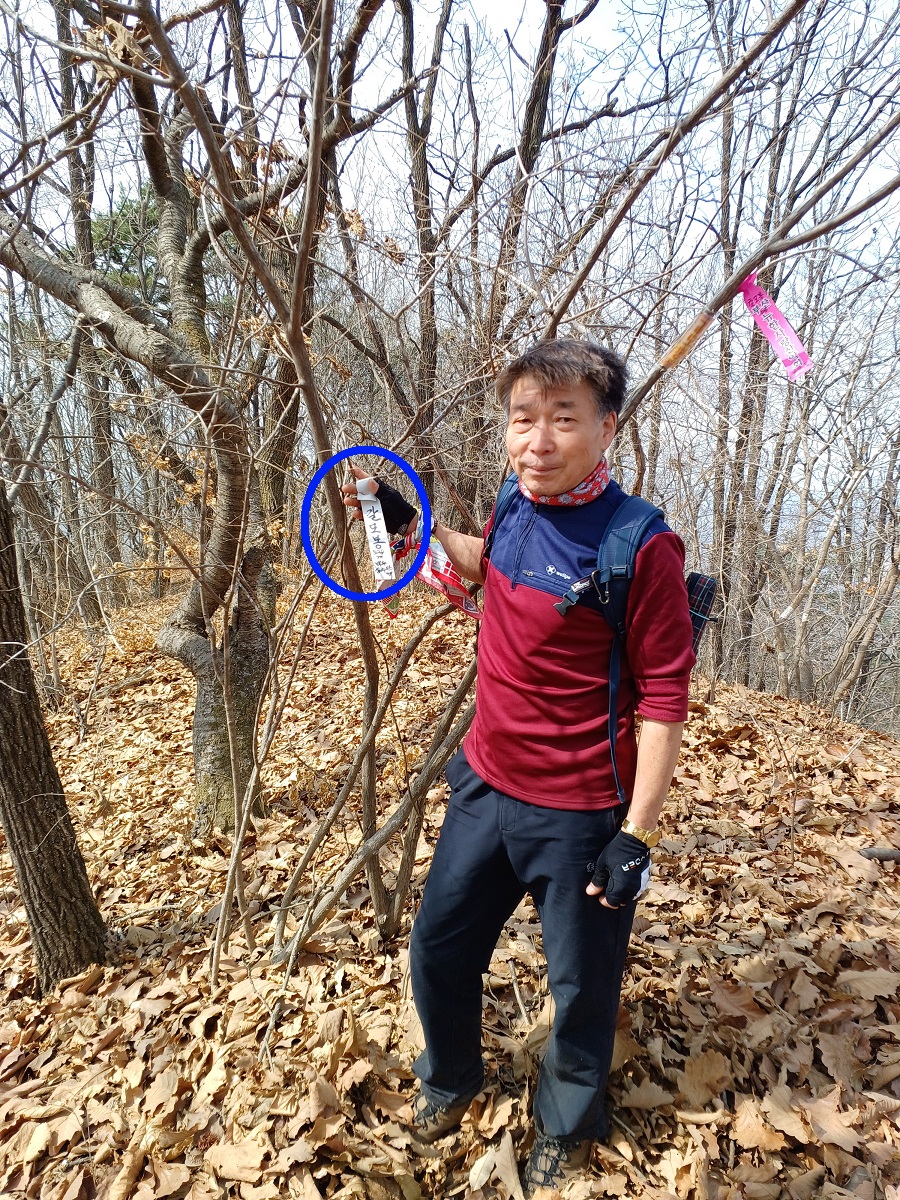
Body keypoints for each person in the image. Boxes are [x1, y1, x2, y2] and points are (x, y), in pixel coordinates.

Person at [342, 339, 694, 1197]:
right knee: (438, 948)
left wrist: (638, 836)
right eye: (522, 418)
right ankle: (451, 1076)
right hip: (484, 785)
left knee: (580, 989)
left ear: (607, 428)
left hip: (580, 813)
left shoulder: (640, 546)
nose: (537, 441)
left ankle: (567, 1125)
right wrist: (416, 525)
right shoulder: (515, 502)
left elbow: (664, 700)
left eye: (562, 419)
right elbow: (492, 565)